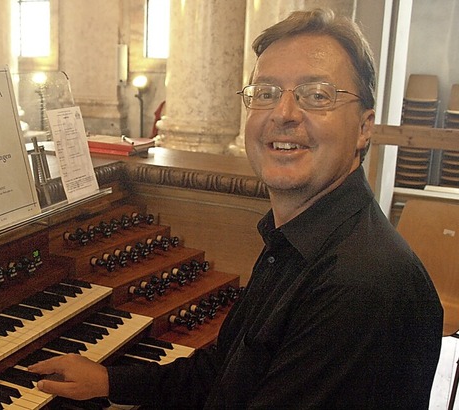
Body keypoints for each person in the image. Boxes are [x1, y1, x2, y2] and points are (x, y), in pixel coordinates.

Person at [28, 9, 443, 408]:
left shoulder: (359, 288)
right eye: (266, 93)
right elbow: (225, 372)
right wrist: (110, 382)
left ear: (364, 128)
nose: (283, 113)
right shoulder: (298, 239)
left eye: (317, 95)